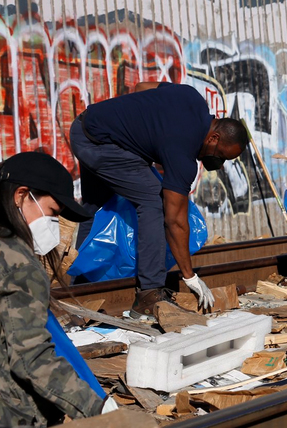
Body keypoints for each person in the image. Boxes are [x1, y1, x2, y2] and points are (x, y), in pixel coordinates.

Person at [70, 82, 248, 315]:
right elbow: (174, 221)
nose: (219, 162)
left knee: (95, 205)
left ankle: (84, 284)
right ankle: (149, 293)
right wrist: (189, 276)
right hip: (101, 144)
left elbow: (141, 87)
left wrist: (137, 127)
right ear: (213, 138)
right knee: (153, 201)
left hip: (86, 125)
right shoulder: (183, 155)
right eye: (221, 155)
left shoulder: (191, 96)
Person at [0, 152, 116, 427]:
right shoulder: (17, 263)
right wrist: (96, 408)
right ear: (21, 196)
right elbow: (31, 358)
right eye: (53, 212)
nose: (54, 225)